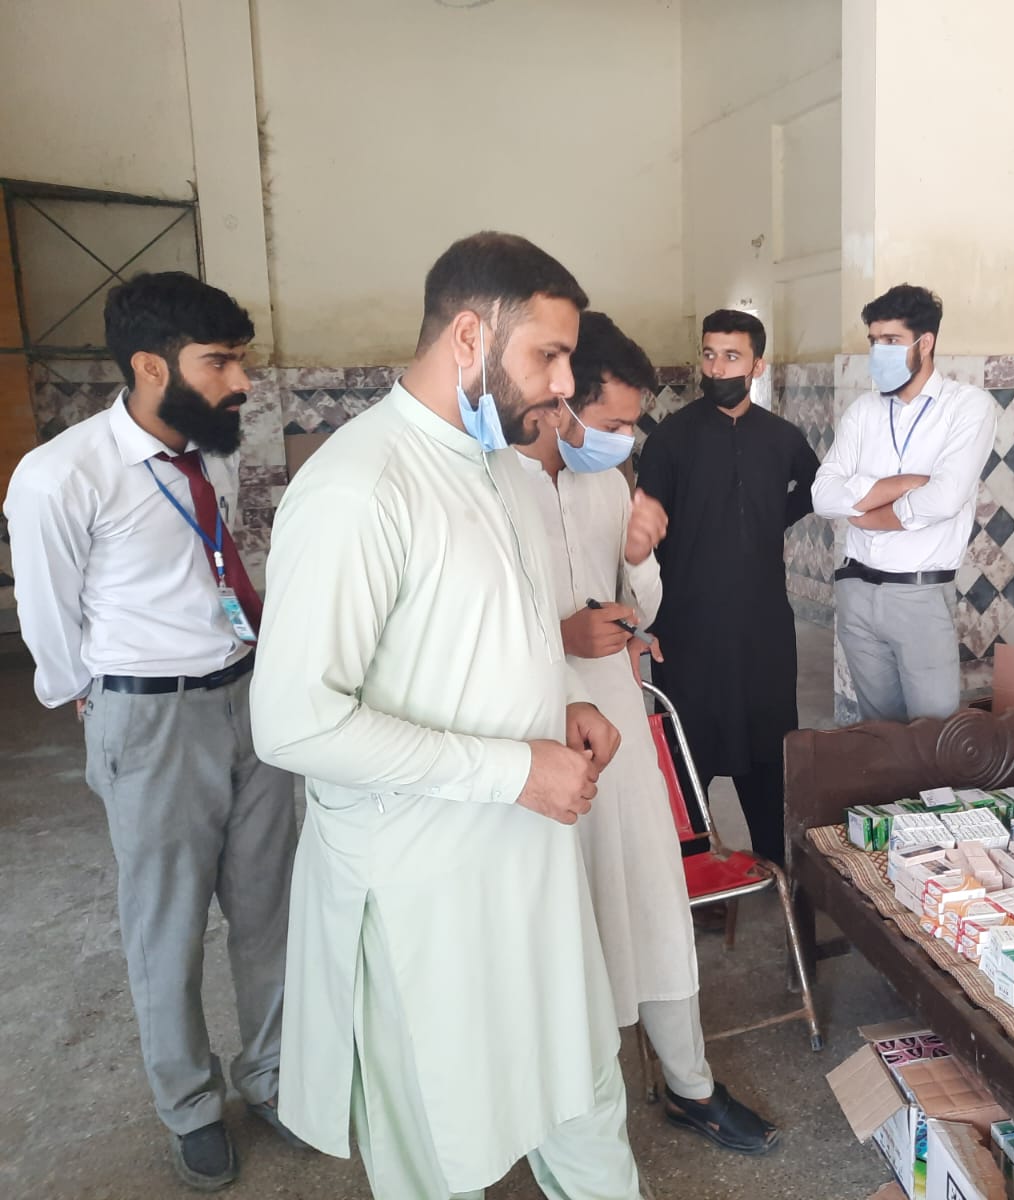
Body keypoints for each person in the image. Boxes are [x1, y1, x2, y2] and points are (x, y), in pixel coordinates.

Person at [249, 232, 643, 1200]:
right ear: (469, 336)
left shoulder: (497, 468)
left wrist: (564, 702)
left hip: (531, 870)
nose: (564, 385)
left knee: (582, 1100)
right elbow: (295, 722)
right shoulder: (358, 487)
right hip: (424, 891)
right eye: (548, 356)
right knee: (439, 1144)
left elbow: (484, 635)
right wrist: (514, 769)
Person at [3, 272, 300, 1190]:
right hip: (151, 716)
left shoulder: (208, 451)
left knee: (270, 908)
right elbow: (47, 619)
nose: (240, 381)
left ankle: (273, 1075)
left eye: (241, 360)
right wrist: (95, 698)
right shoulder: (61, 475)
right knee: (166, 927)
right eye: (220, 362)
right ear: (149, 365)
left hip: (248, 696)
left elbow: (214, 564)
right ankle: (191, 1105)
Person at [512, 310, 780, 1155]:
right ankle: (568, 1104)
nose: (627, 440)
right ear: (561, 399)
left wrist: (635, 558)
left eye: (633, 423)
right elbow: (470, 627)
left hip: (620, 721)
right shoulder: (493, 488)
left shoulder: (606, 485)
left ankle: (689, 1085)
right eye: (615, 421)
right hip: (534, 729)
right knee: (563, 919)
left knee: (652, 900)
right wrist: (560, 636)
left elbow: (646, 611)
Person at [635, 310, 820, 866]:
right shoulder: (672, 438)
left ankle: (776, 866)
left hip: (764, 624)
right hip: (688, 624)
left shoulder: (781, 437)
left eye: (732, 356)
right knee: (689, 748)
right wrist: (650, 619)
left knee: (768, 745)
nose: (717, 368)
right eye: (710, 354)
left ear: (757, 365)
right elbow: (644, 527)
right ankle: (692, 872)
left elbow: (815, 485)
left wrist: (771, 518)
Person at [812, 284, 996, 723]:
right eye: (874, 341)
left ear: (924, 343)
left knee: (935, 734)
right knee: (880, 731)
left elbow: (944, 499)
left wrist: (869, 515)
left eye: (891, 340)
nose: (879, 351)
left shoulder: (967, 407)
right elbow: (823, 495)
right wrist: (902, 484)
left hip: (919, 593)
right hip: (856, 590)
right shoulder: (863, 411)